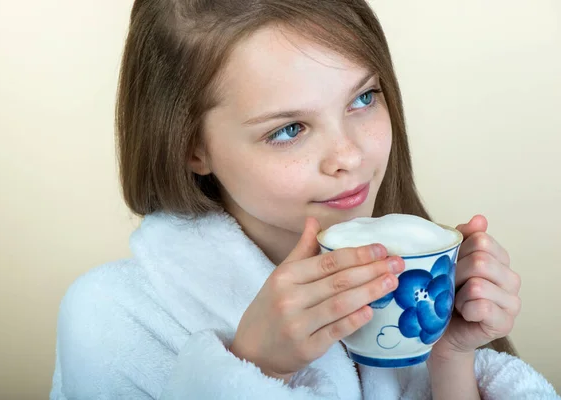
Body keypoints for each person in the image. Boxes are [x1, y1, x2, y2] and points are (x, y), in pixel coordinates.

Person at [50, 1, 559, 399]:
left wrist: (450, 358)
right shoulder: (111, 318)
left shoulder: (416, 274)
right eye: (289, 129)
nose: (349, 155)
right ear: (191, 148)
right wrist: (253, 367)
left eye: (363, 98)